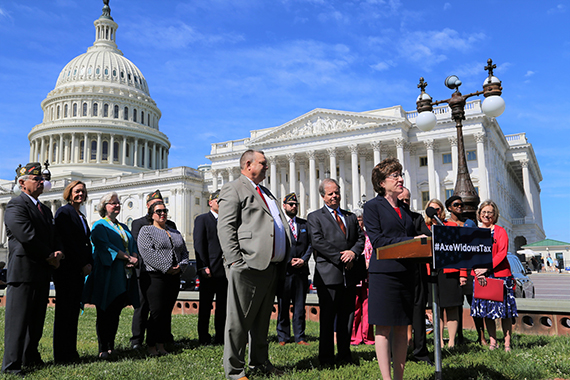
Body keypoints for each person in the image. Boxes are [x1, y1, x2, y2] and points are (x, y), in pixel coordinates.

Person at [217, 149, 291, 380]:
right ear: (248, 164)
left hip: (270, 266)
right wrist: (235, 260)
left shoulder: (266, 191)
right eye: (263, 163)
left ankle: (259, 362)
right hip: (247, 264)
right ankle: (235, 370)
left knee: (261, 322)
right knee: (239, 321)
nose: (267, 166)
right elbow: (226, 227)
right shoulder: (234, 187)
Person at [363, 158, 427, 380]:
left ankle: (399, 376)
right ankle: (386, 378)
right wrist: (410, 242)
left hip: (406, 273)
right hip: (384, 275)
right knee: (383, 328)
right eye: (395, 175)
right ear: (382, 182)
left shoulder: (406, 210)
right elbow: (379, 241)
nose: (400, 179)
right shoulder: (372, 207)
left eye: (401, 174)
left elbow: (420, 237)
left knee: (402, 328)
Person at [2, 162, 63, 375]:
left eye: (41, 179)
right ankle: (11, 365)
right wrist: (49, 254)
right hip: (24, 270)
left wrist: (58, 252)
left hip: (42, 270)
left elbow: (53, 236)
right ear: (22, 182)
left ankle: (31, 356)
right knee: (17, 321)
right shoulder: (15, 205)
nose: (41, 183)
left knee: (37, 320)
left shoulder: (45, 210)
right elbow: (26, 235)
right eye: (36, 179)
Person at [308, 178, 365, 366]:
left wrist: (353, 253)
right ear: (323, 196)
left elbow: (360, 238)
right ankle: (325, 358)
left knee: (347, 317)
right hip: (328, 275)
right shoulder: (315, 217)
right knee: (327, 318)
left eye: (337, 192)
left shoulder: (349, 216)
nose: (335, 196)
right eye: (330, 193)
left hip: (349, 275)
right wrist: (341, 258)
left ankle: (345, 355)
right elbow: (317, 241)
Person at [83, 192, 140, 359]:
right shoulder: (99, 225)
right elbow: (105, 246)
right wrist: (127, 257)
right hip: (106, 275)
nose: (116, 205)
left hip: (122, 275)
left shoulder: (123, 227)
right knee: (104, 311)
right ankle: (103, 349)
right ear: (104, 207)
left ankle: (111, 346)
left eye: (118, 203)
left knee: (115, 312)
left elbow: (132, 243)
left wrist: (134, 257)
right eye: (112, 203)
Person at [137, 201, 189, 355]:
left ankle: (161, 345)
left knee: (166, 312)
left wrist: (181, 266)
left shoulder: (174, 232)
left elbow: (184, 252)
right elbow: (147, 253)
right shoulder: (146, 231)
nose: (162, 214)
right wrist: (167, 267)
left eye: (164, 211)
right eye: (158, 211)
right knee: (156, 312)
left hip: (174, 277)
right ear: (151, 214)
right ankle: (151, 346)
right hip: (155, 277)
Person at [129, 190, 177, 350]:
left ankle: (165, 337)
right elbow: (142, 249)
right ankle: (137, 339)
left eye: (164, 208)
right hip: (146, 272)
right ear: (149, 206)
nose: (162, 212)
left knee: (164, 309)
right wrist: (161, 265)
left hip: (168, 274)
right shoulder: (139, 224)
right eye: (157, 207)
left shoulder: (171, 226)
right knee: (143, 307)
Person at [53, 180, 93, 363]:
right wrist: (81, 264)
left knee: (73, 313)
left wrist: (89, 263)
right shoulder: (64, 212)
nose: (80, 194)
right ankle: (62, 355)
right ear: (69, 193)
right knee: (64, 313)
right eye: (77, 191)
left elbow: (86, 242)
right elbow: (68, 242)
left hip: (78, 270)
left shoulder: (81, 215)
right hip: (68, 270)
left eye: (83, 191)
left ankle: (71, 351)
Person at [471, 200, 518, 352]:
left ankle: (507, 344)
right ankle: (492, 342)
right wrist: (478, 272)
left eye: (490, 212)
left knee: (505, 312)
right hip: (481, 277)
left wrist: (486, 267)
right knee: (487, 312)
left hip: (501, 275)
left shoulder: (500, 231)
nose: (486, 215)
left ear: (495, 214)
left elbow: (502, 253)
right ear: (479, 214)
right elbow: (470, 254)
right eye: (484, 212)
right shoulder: (474, 232)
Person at [425, 199, 466, 348]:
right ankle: (440, 341)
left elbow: (460, 252)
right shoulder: (424, 228)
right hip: (432, 272)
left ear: (442, 211)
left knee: (452, 306)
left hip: (450, 272)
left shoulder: (451, 226)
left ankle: (452, 341)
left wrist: (463, 274)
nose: (435, 212)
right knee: (437, 307)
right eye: (432, 209)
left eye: (438, 209)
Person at [398, 188, 432, 365]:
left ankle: (420, 352)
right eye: (401, 200)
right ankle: (396, 352)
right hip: (396, 271)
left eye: (407, 200)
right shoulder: (391, 219)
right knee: (397, 314)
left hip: (416, 272)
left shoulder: (416, 218)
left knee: (418, 313)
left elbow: (428, 237)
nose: (405, 203)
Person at [443, 195, 482, 346]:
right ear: (449, 208)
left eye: (461, 205)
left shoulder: (470, 223)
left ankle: (481, 335)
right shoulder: (446, 224)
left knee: (474, 303)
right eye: (456, 205)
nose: (460, 207)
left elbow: (478, 243)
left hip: (470, 269)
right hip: (454, 271)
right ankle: (459, 336)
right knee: (456, 304)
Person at [276, 192, 312, 346]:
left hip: (301, 272)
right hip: (285, 272)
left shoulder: (305, 224)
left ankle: (300, 337)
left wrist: (304, 260)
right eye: (291, 204)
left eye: (296, 204)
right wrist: (289, 261)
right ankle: (283, 337)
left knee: (300, 306)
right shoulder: (279, 225)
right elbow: (277, 245)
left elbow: (311, 245)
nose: (294, 207)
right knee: (283, 305)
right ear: (284, 206)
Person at [194, 190, 227, 345]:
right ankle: (203, 337)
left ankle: (220, 336)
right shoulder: (202, 219)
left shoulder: (227, 220)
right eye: (218, 200)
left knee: (223, 306)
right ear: (210, 202)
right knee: (205, 306)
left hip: (225, 270)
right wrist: (203, 266)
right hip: (209, 270)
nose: (221, 203)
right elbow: (199, 244)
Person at [350, 209, 374, 346]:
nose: (359, 222)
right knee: (355, 307)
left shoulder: (368, 235)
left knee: (367, 307)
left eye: (360, 220)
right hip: (354, 275)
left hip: (368, 276)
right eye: (357, 220)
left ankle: (368, 336)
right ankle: (354, 336)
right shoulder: (350, 237)